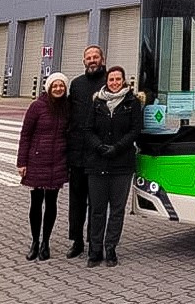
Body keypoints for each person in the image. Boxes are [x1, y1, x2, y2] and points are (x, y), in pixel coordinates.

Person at [84, 65, 142, 267]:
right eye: (111, 80)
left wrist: (117, 148)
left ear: (124, 81)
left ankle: (111, 249)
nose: (115, 83)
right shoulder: (97, 102)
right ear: (106, 82)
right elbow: (88, 129)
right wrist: (99, 147)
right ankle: (95, 250)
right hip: (97, 163)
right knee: (97, 210)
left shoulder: (131, 103)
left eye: (118, 79)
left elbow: (135, 130)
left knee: (117, 210)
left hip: (121, 164)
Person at [16, 72, 70, 261]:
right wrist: (21, 162)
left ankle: (46, 242)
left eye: (61, 86)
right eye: (55, 86)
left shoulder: (67, 107)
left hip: (58, 161)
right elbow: (26, 135)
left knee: (52, 203)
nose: (58, 89)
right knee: (36, 203)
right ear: (48, 88)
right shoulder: (37, 106)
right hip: (37, 160)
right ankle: (35, 242)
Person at [65, 45, 108, 259]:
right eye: (88, 58)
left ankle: (95, 241)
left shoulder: (110, 82)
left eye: (95, 57)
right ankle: (77, 240)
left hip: (99, 154)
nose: (92, 60)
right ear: (84, 61)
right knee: (77, 200)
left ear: (103, 59)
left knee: (97, 202)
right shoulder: (76, 84)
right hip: (77, 155)